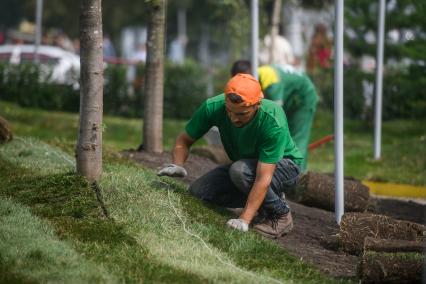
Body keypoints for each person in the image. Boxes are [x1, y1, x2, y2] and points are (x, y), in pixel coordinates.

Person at [158, 73, 302, 238]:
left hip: (286, 166)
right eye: (229, 111)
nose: (234, 118)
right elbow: (184, 139)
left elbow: (263, 178)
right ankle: (264, 202)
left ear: (257, 105)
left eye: (242, 114)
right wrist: (178, 164)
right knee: (199, 192)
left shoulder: (272, 120)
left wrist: (244, 220)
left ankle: (280, 213)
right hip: (247, 167)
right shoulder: (212, 107)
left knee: (240, 171)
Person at [231, 60, 318, 172]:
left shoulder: (270, 82)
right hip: (289, 97)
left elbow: (274, 117)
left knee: (296, 137)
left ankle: (297, 175)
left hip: (303, 98)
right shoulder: (258, 75)